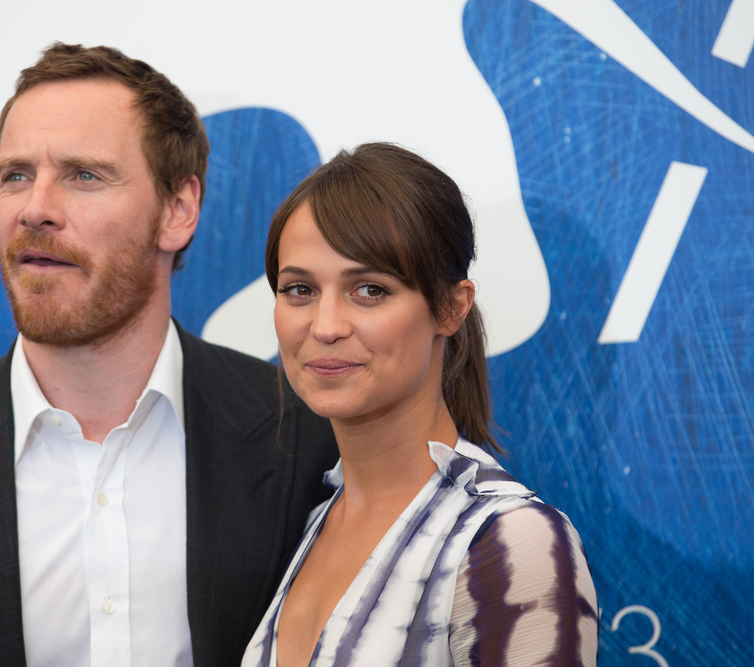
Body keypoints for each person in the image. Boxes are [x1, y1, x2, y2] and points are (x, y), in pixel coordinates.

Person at [0, 43, 338, 667]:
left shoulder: (310, 441)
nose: (35, 208)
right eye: (15, 176)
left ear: (178, 210)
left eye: (83, 174)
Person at [243, 143, 599, 667]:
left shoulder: (508, 541)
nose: (324, 326)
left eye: (369, 289)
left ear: (451, 308)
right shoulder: (310, 521)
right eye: (299, 289)